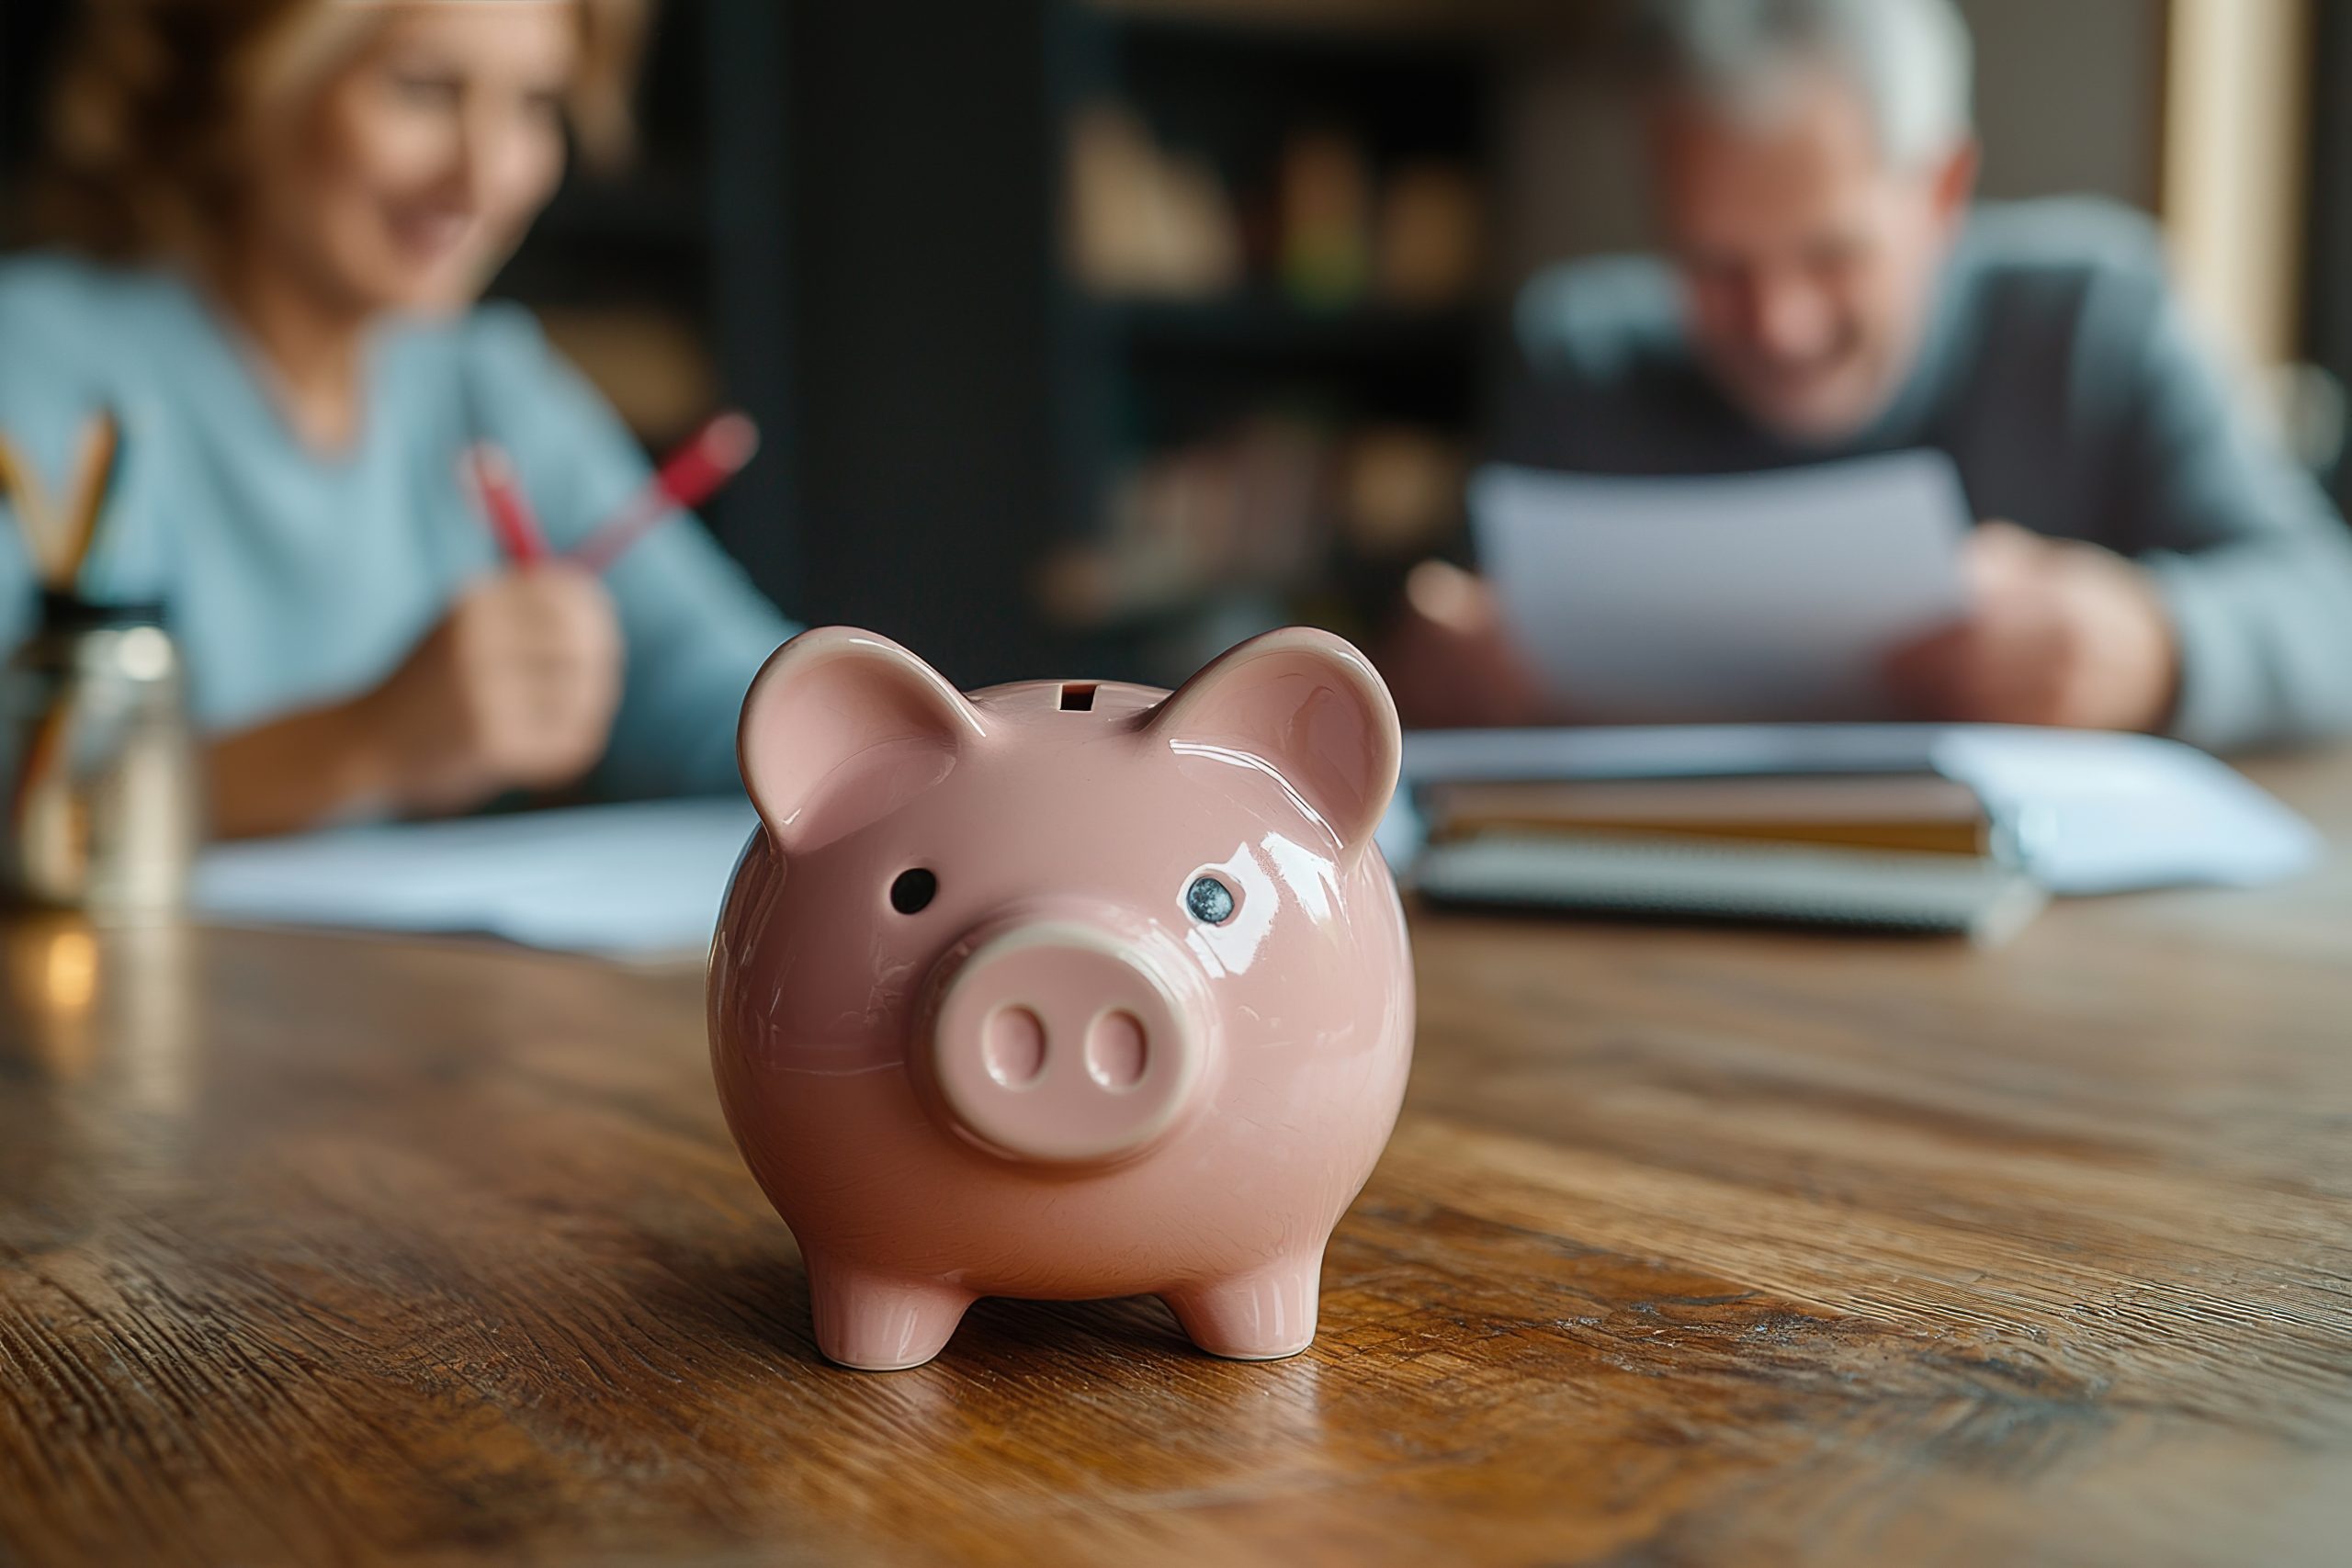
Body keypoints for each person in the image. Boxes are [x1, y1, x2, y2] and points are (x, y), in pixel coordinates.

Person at [1386, 0, 2352, 752]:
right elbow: (1441, 641)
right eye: (1716, 265)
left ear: (1941, 191)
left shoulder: (2093, 324)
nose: (1779, 323)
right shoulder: (1575, 365)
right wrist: (1435, 671)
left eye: (1830, 255)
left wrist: (2154, 645)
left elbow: (2328, 607)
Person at [0, 0, 796, 837]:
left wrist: (915, 733)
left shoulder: (486, 387)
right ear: (248, 89)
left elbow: (726, 694)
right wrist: (366, 741)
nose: (487, 178)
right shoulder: (36, 367)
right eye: (421, 89)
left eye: (536, 104)